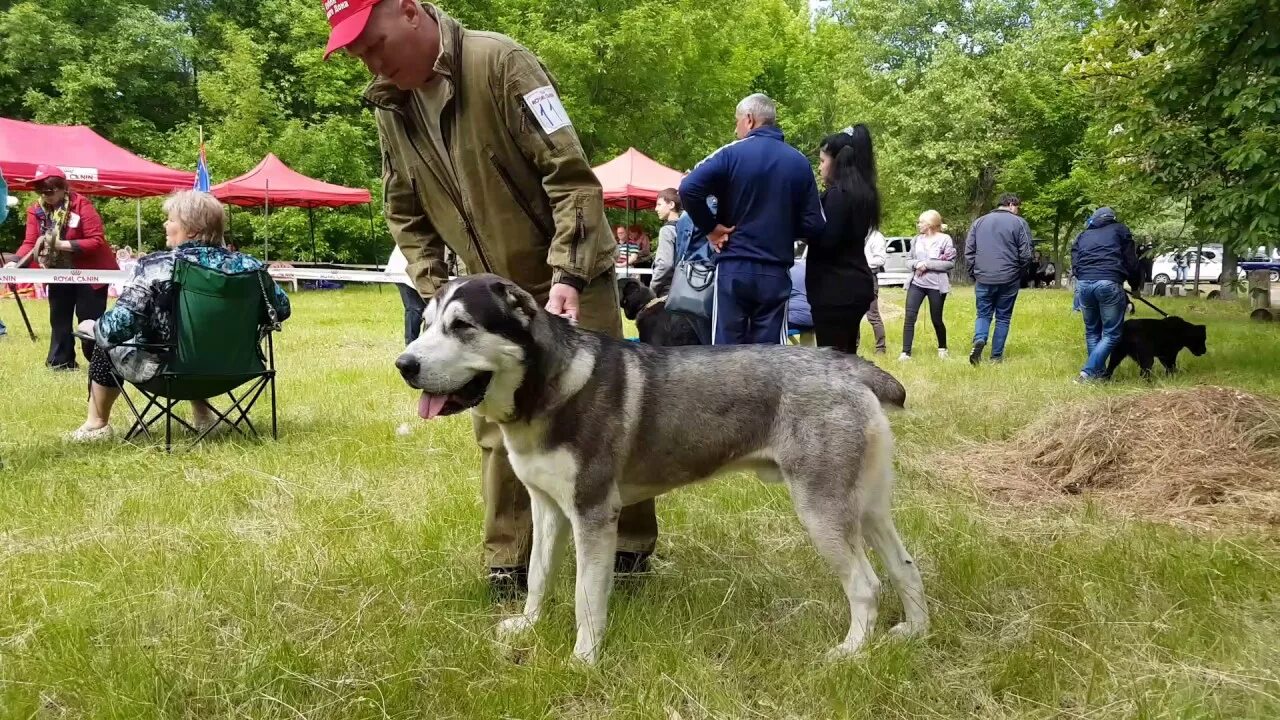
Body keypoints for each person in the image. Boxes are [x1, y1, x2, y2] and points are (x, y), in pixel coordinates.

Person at [326, 0, 658, 594]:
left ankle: (629, 547)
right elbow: (403, 207)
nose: (370, 65)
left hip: (567, 276)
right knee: (496, 425)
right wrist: (437, 290)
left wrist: (568, 274)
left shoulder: (503, 64)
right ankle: (509, 560)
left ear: (408, 11)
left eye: (373, 45)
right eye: (355, 55)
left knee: (603, 415)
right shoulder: (390, 106)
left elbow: (571, 177)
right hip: (481, 293)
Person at [68, 191, 291, 442]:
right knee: (192, 337)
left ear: (193, 229)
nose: (165, 224)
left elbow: (117, 328)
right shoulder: (251, 267)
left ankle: (95, 425)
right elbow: (281, 309)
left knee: (103, 339)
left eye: (171, 219)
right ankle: (203, 416)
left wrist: (92, 327)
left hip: (169, 374)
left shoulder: (157, 266)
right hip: (236, 370)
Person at [679, 93, 825, 345]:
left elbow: (687, 188)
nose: (735, 129)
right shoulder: (799, 162)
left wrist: (711, 229)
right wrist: (780, 229)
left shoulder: (730, 154)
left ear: (749, 119)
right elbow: (816, 224)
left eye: (736, 122)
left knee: (725, 356)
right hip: (775, 269)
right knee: (770, 359)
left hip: (734, 266)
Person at [5, 165, 120, 370]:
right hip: (59, 271)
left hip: (90, 273)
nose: (45, 195)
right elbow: (30, 242)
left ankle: (99, 364)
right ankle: (61, 362)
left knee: (89, 321)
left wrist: (60, 245)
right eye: (40, 191)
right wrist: (15, 261)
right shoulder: (36, 210)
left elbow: (96, 241)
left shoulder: (81, 204)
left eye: (49, 191)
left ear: (62, 188)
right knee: (59, 318)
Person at [805, 127, 878, 354]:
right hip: (855, 283)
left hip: (834, 289)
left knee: (832, 362)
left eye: (822, 160)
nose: (820, 167)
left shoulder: (838, 196)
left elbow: (828, 240)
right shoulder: (864, 194)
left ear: (836, 161)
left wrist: (804, 230)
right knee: (846, 356)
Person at [1071, 206, 1142, 382]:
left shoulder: (1083, 235)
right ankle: (1087, 372)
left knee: (1092, 332)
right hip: (1109, 283)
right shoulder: (1120, 230)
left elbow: (1075, 261)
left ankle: (1099, 375)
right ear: (1112, 218)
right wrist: (1135, 287)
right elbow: (1131, 261)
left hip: (1084, 285)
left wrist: (1084, 278)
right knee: (1112, 333)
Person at [965, 192, 1033, 365]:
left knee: (983, 314)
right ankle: (996, 357)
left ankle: (980, 339)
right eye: (1017, 207)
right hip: (1009, 277)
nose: (1018, 211)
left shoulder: (979, 222)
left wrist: (975, 272)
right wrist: (1020, 274)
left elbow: (969, 252)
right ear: (1011, 204)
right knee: (1003, 317)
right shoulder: (1019, 223)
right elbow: (1026, 254)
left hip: (983, 277)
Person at [900, 210, 955, 360]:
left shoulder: (945, 239)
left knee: (936, 318)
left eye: (921, 222)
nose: (918, 225)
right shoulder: (916, 240)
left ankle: (942, 349)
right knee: (910, 317)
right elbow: (908, 260)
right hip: (917, 283)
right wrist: (917, 263)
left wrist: (927, 264)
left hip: (936, 286)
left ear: (930, 224)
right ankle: (905, 353)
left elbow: (949, 263)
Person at [385, 244, 426, 345]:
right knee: (415, 308)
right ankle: (410, 345)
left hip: (420, 271)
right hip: (403, 272)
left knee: (430, 310)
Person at [649, 188, 681, 296]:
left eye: (659, 204)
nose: (656, 209)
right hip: (684, 286)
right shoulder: (686, 227)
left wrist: (652, 288)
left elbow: (665, 264)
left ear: (671, 204)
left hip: (668, 289)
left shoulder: (667, 230)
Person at [863, 228, 888, 354]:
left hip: (868, 277)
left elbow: (880, 260)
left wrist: (861, 263)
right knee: (851, 316)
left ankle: (880, 349)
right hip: (852, 277)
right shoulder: (854, 232)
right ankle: (852, 347)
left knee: (872, 315)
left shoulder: (876, 236)